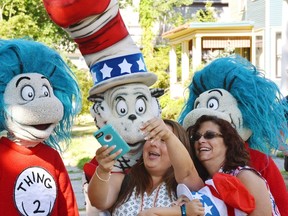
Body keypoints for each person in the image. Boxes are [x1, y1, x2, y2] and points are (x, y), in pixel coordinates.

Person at [88, 118, 204, 216]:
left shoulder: (185, 186)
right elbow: (98, 202)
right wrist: (103, 170)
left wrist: (168, 135)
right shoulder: (123, 180)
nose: (153, 143)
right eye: (150, 138)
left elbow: (187, 172)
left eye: (163, 140)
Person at [186, 115, 280, 216]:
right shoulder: (203, 180)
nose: (201, 140)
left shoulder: (244, 176)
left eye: (210, 135)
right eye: (196, 137)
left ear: (228, 141)